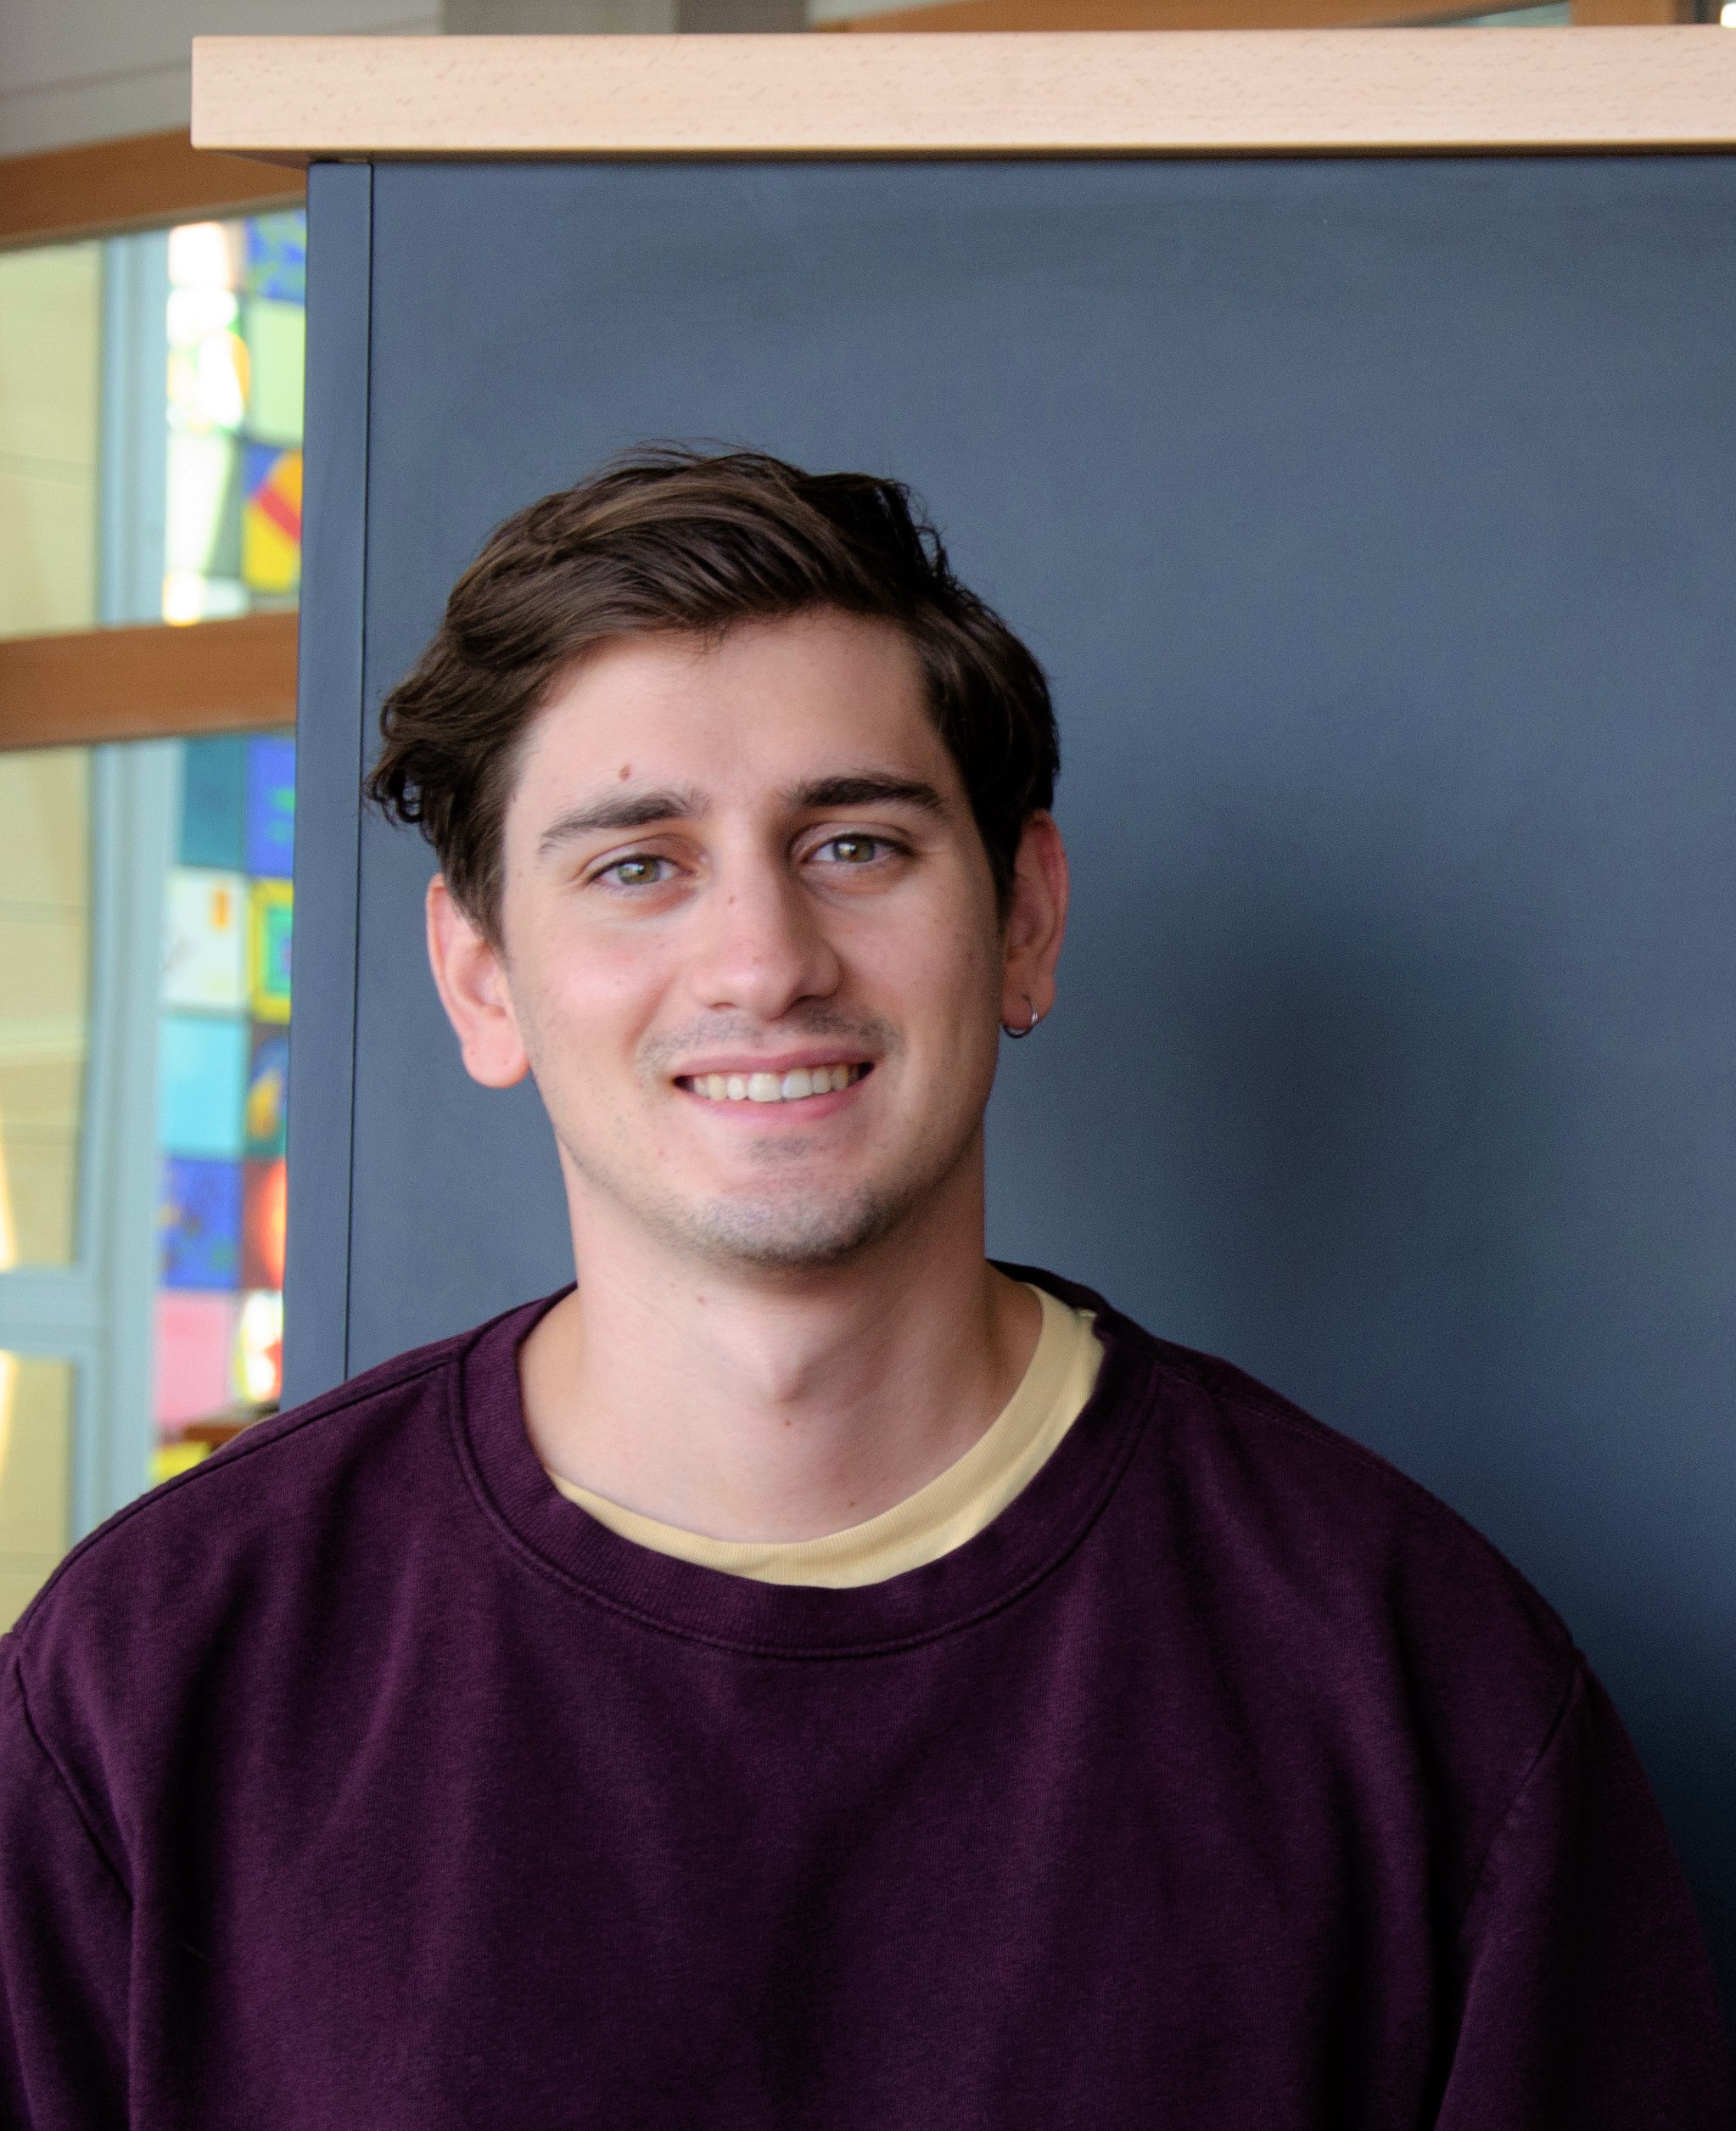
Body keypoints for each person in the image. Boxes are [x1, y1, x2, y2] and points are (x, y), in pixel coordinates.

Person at [0, 448, 1727, 2128]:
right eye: (635, 864)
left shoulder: (1414, 1677)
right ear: (482, 979)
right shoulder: (157, 1677)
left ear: (1027, 920)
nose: (764, 957)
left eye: (856, 845)